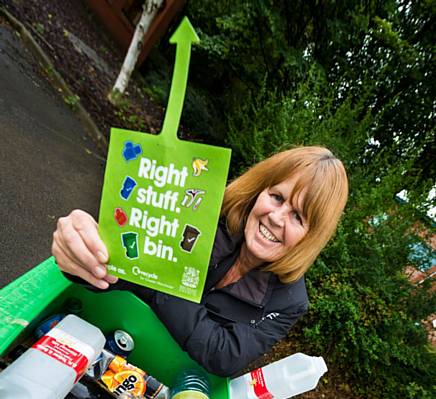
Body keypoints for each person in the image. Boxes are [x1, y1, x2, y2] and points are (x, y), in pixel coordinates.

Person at [52, 146, 348, 377]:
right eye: (277, 197)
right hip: (99, 340)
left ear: (310, 237)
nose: (276, 217)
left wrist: (159, 278)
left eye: (298, 217)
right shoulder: (201, 215)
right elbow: (118, 268)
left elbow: (224, 356)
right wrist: (81, 254)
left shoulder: (290, 301)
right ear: (260, 191)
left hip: (169, 382)